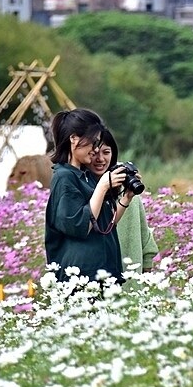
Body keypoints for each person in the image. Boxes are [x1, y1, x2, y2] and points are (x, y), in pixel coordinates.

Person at [44, 108, 132, 284]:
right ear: (74, 139)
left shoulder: (84, 176)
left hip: (102, 273)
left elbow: (107, 224)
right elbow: (79, 225)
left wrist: (126, 197)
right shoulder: (64, 177)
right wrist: (103, 185)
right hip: (82, 279)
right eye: (94, 142)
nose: (96, 149)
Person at [86, 128, 158, 283]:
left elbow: (144, 235)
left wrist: (147, 271)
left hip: (130, 276)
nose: (100, 159)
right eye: (94, 153)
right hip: (97, 280)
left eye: (106, 152)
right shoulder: (80, 187)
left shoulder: (127, 189)